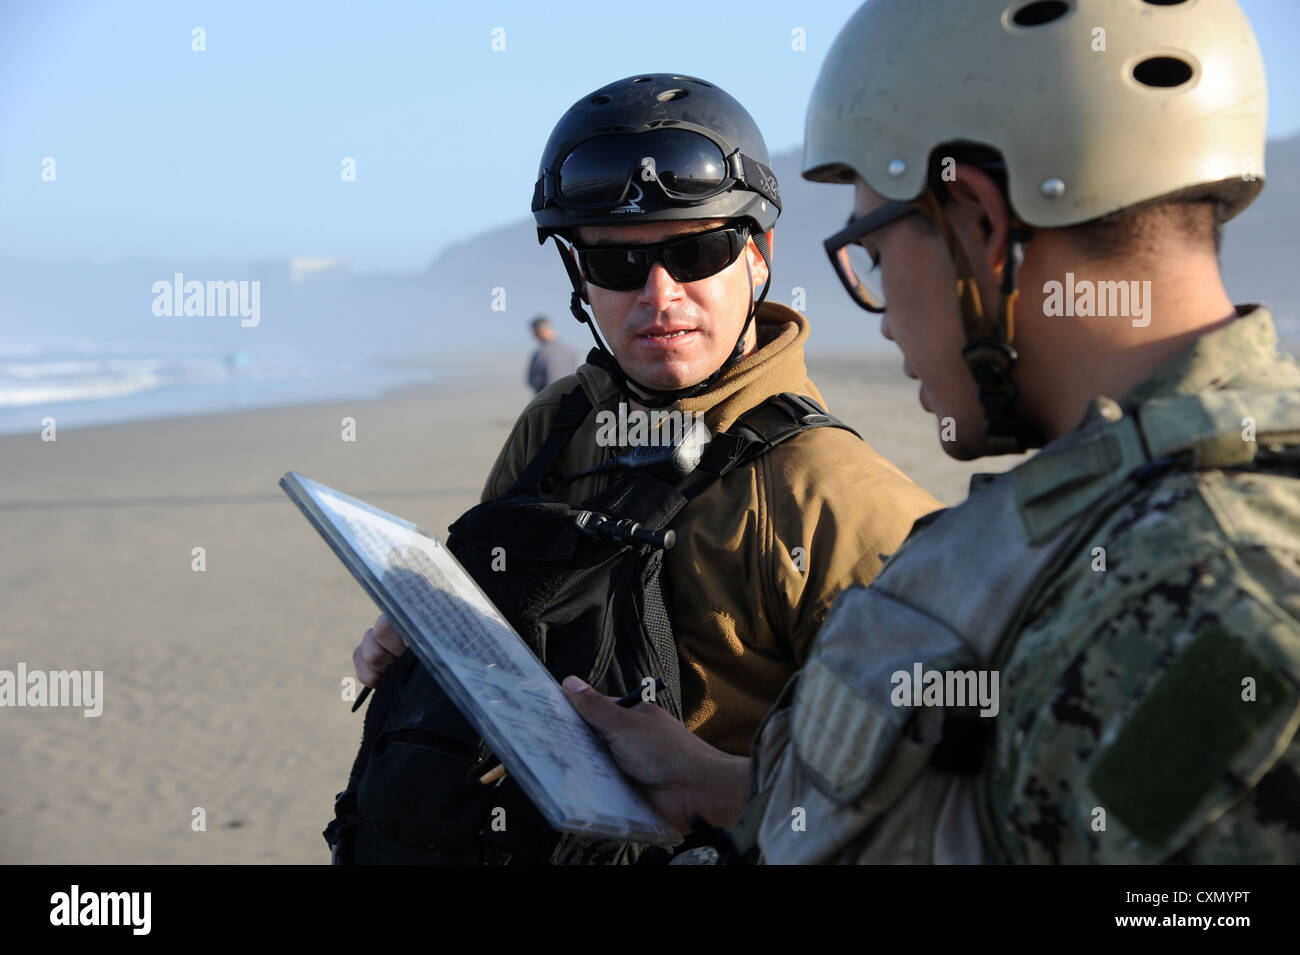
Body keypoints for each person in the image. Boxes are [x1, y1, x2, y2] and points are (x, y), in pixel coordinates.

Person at [562, 0, 1300, 864]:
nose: (881, 322)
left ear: (979, 223)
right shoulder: (1118, 519)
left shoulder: (1222, 606)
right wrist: (714, 782)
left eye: (873, 251)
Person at [343, 73, 940, 862]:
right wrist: (433, 636)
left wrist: (713, 780)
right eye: (619, 266)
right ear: (578, 276)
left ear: (757, 256)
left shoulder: (836, 495)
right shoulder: (556, 428)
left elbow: (936, 806)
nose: (660, 296)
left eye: (696, 252)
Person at [526, 315, 579, 393]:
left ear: (539, 331)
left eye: (534, 332)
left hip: (549, 399)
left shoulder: (543, 352)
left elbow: (537, 380)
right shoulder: (569, 349)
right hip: (570, 396)